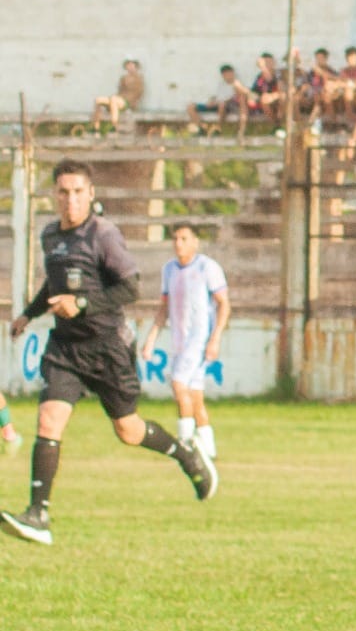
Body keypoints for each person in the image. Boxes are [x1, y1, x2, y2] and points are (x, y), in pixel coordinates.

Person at [3, 160, 217, 547]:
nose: (70, 200)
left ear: (91, 194)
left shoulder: (103, 235)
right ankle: (38, 514)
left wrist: (81, 304)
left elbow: (130, 289)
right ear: (54, 194)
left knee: (129, 430)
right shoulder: (51, 235)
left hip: (108, 349)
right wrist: (28, 315)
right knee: (49, 420)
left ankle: (185, 454)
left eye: (77, 192)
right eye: (63, 192)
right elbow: (51, 285)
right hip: (66, 348)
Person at [141, 223, 231, 459]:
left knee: (178, 383)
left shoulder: (206, 267)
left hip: (199, 339)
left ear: (194, 242)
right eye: (175, 239)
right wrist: (151, 338)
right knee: (194, 396)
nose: (178, 244)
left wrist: (216, 338)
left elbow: (224, 304)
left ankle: (186, 442)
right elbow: (164, 308)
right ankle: (209, 450)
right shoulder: (169, 269)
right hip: (180, 339)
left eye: (184, 239)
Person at [92, 58, 144, 131]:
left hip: (128, 102)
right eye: (128, 65)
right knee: (99, 100)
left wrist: (131, 103)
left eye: (132, 65)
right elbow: (120, 91)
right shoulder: (123, 78)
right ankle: (96, 128)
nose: (130, 67)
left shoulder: (139, 78)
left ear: (136, 67)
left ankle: (114, 126)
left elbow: (138, 93)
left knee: (114, 100)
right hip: (119, 99)